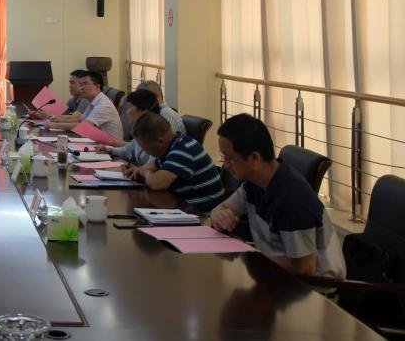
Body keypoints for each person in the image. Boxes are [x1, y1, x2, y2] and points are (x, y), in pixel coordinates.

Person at [210, 114, 345, 278]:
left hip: (312, 287)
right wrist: (218, 215)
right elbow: (223, 208)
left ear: (254, 158)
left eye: (228, 158)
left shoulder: (291, 199)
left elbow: (304, 268)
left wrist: (249, 257)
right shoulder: (255, 183)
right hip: (275, 275)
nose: (225, 165)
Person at [125, 111, 225, 211]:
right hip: (185, 206)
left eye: (144, 147)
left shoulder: (183, 150)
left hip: (203, 213)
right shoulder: (173, 144)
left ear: (160, 141)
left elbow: (157, 183)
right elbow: (152, 165)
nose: (145, 151)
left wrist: (145, 172)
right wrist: (141, 170)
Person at [101, 86, 185, 165]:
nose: (127, 112)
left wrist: (140, 170)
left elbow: (152, 165)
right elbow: (127, 150)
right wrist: (110, 150)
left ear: (143, 110)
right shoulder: (141, 128)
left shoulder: (155, 130)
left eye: (130, 107)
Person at [48, 71, 123, 141]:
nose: (82, 88)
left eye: (85, 84)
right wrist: (56, 120)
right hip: (98, 143)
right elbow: (79, 120)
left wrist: (55, 125)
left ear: (97, 86)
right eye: (80, 84)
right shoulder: (92, 101)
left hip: (110, 148)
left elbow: (84, 127)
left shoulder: (104, 105)